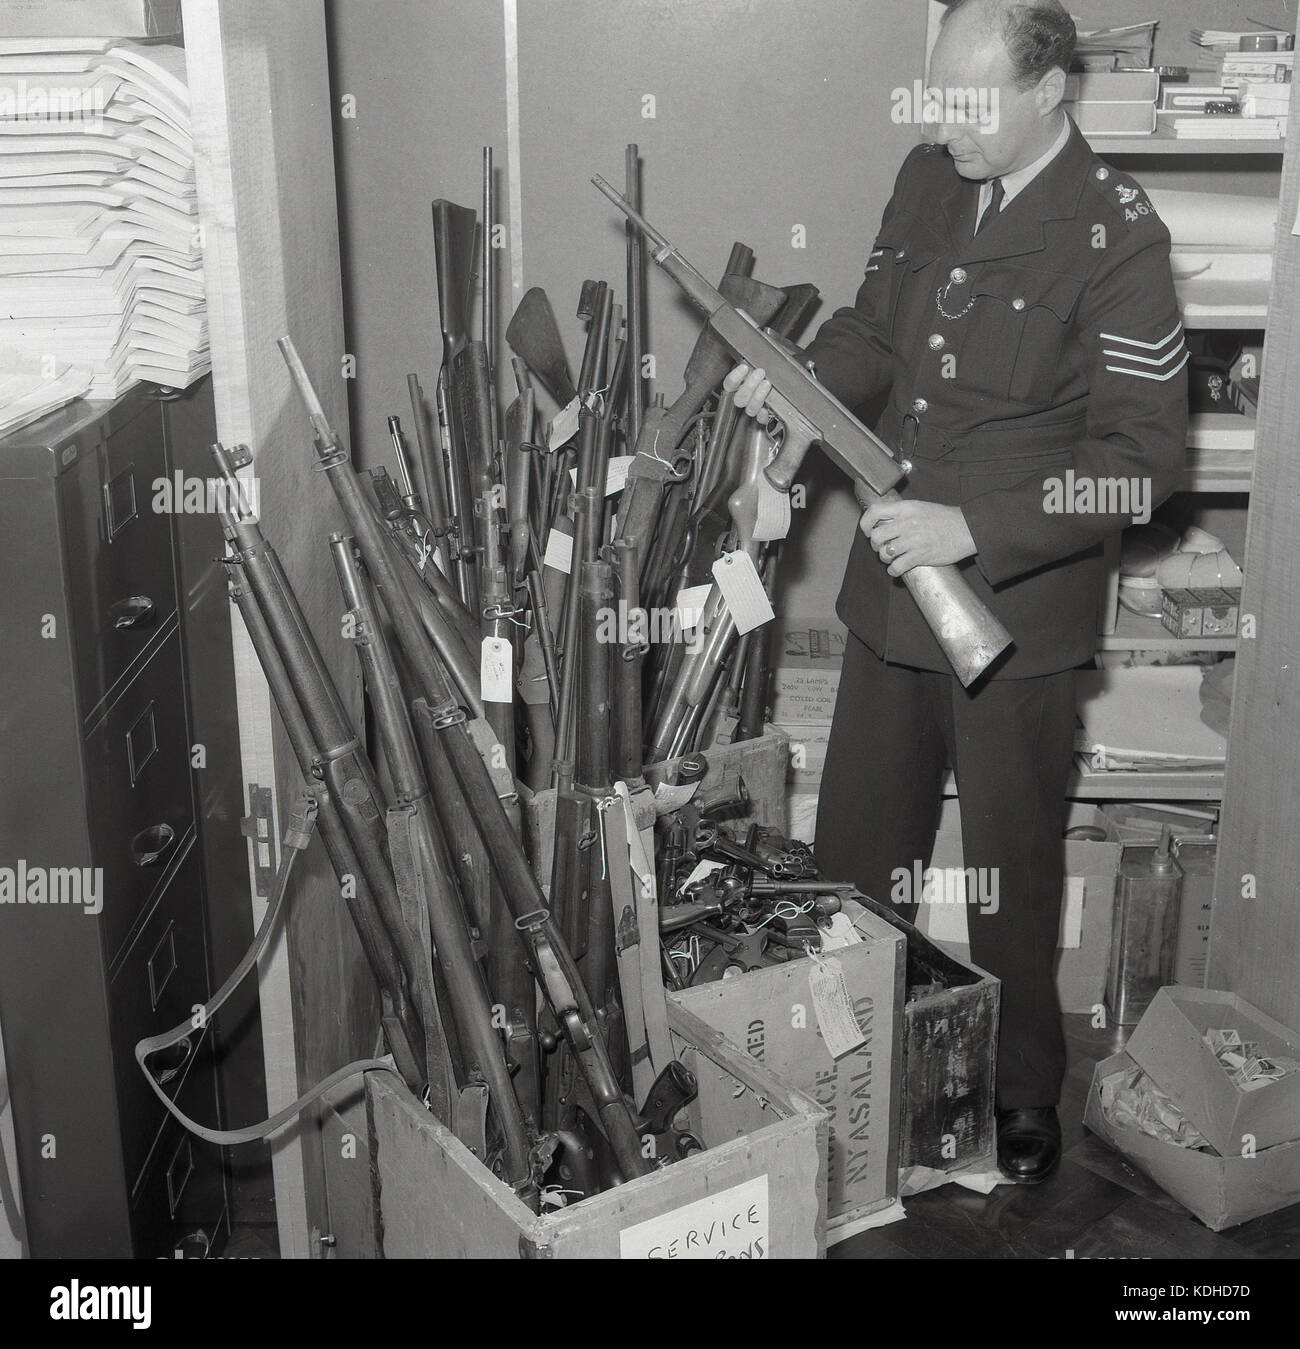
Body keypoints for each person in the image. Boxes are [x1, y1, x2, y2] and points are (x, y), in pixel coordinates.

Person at [726, 0, 1187, 1182]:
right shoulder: (929, 175)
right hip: (890, 602)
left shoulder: (1117, 234)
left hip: (1012, 618)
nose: (944, 125)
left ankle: (1023, 1088)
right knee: (853, 861)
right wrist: (799, 403)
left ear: (1050, 91)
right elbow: (875, 334)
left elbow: (1142, 467)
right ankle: (844, 1072)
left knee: (1011, 872)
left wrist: (974, 526)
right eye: (935, 97)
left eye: (970, 104)